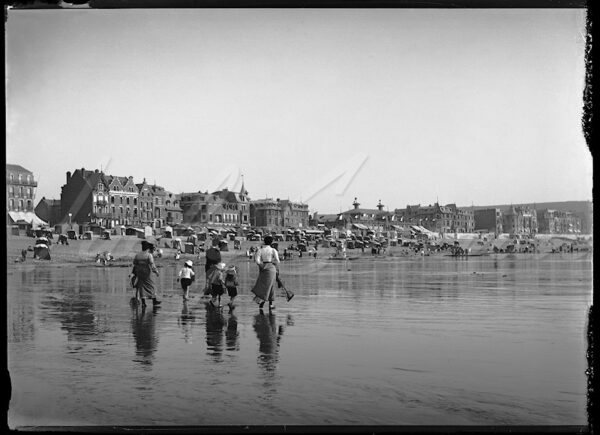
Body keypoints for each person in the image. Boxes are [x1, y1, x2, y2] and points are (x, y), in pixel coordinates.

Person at [251, 235, 280, 311]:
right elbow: (277, 261)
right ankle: (270, 304)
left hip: (263, 268)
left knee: (263, 285)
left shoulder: (260, 250)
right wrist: (272, 264)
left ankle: (262, 301)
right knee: (271, 286)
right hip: (271, 268)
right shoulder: (273, 250)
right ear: (271, 242)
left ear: (264, 241)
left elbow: (257, 261)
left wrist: (262, 265)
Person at [131, 240, 161, 308]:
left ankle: (143, 303)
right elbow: (152, 265)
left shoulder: (137, 255)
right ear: (147, 248)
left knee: (141, 287)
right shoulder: (149, 255)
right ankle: (154, 301)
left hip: (139, 272)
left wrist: (134, 273)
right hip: (146, 272)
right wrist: (156, 271)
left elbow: (135, 263)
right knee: (151, 285)